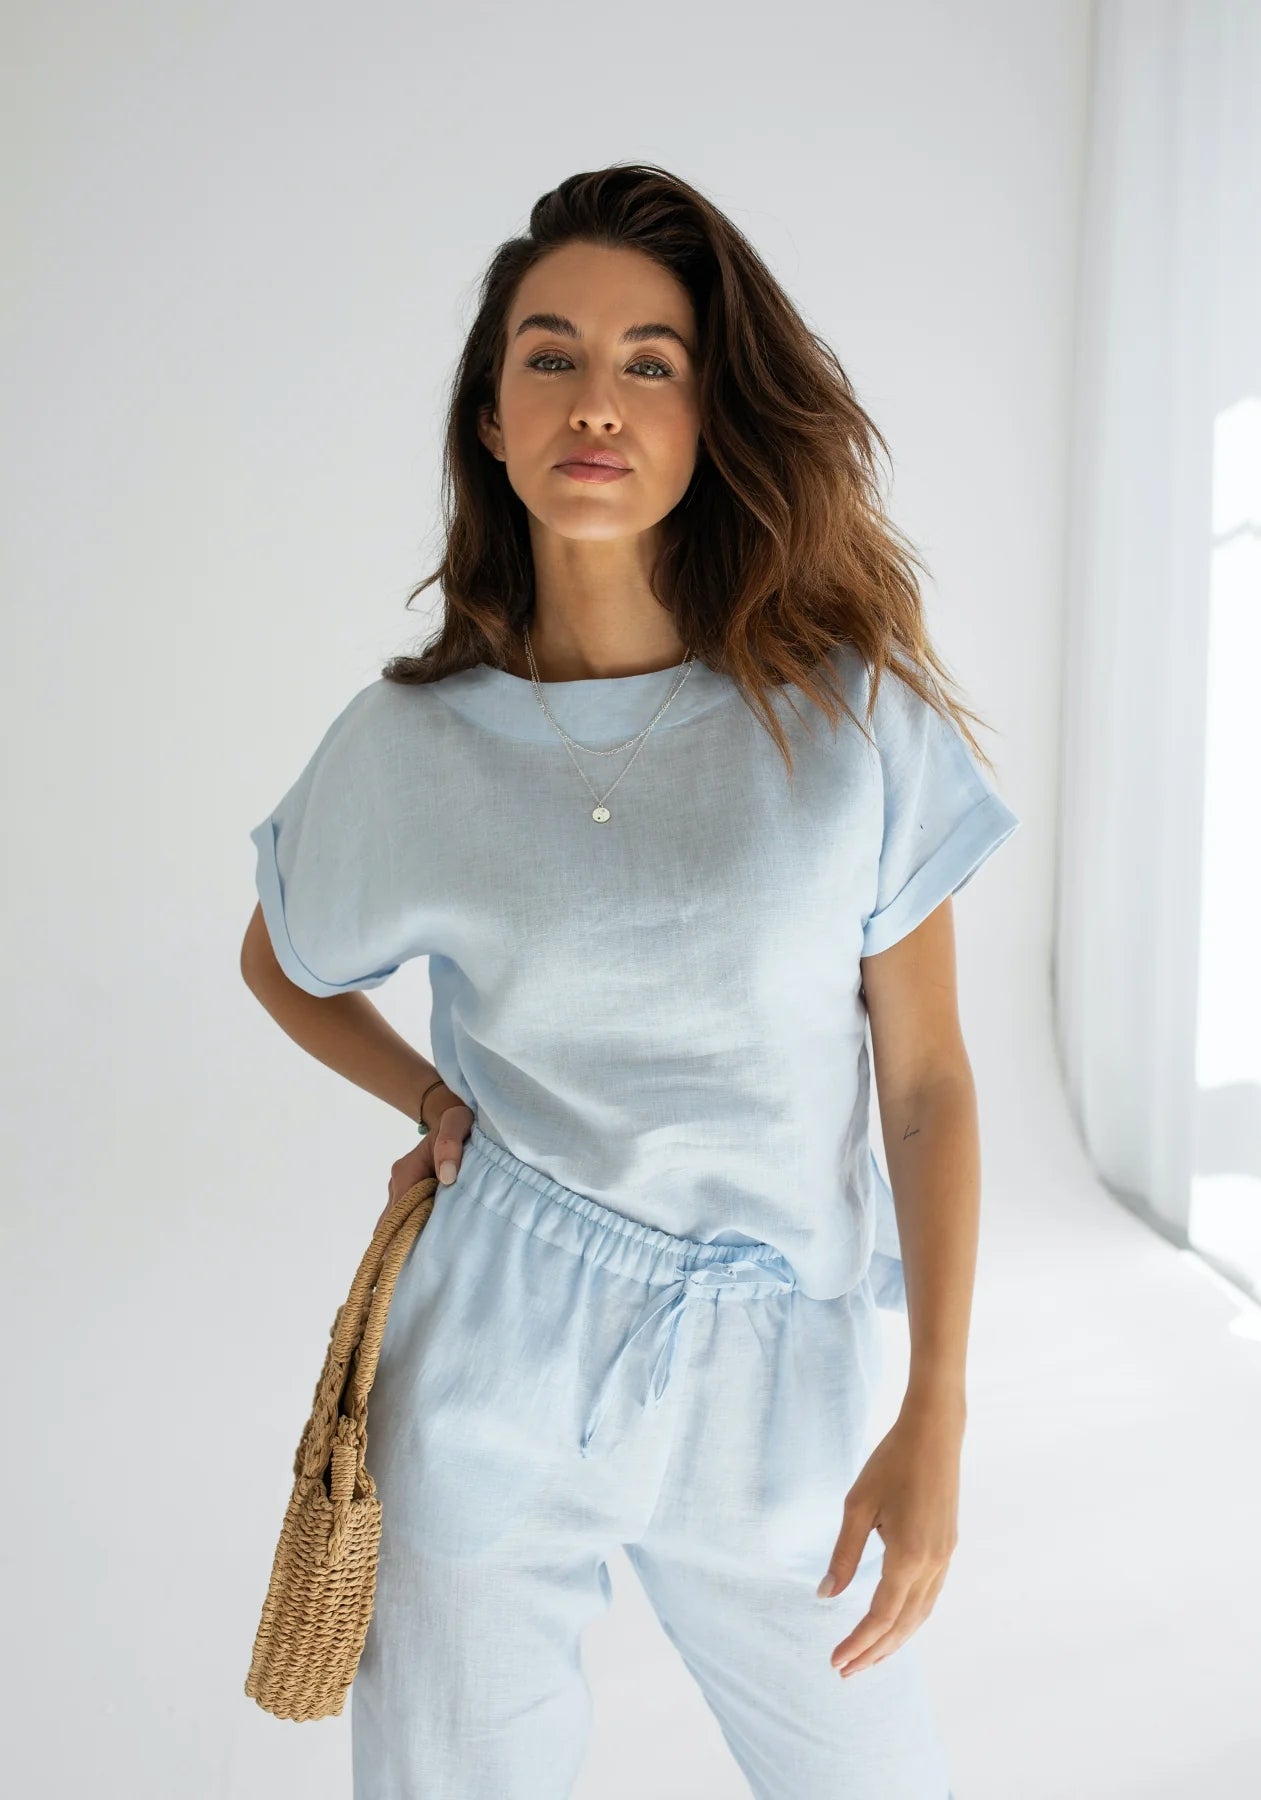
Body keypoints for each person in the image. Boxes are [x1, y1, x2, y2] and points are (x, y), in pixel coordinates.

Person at [241, 162, 1019, 1800]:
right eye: (551, 356)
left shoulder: (843, 715)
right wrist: (427, 1096)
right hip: (491, 1347)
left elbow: (926, 1081)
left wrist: (935, 1410)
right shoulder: (410, 744)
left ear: (706, 414)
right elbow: (281, 958)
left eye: (649, 362)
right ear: (490, 417)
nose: (596, 400)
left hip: (780, 1372)